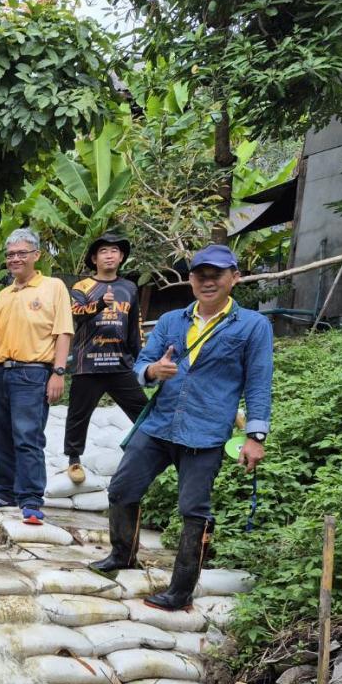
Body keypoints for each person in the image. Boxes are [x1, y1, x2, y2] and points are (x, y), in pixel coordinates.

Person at [91, 244, 272, 612]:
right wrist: (153, 371)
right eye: (200, 275)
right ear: (190, 279)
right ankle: (123, 554)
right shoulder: (173, 320)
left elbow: (258, 382)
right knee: (122, 489)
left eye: (216, 275)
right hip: (159, 425)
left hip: (205, 432)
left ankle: (181, 592)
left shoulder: (253, 326)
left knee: (194, 510)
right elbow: (141, 363)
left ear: (234, 278)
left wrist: (255, 436)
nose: (208, 282)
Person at [0, 227, 73, 525]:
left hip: (33, 372)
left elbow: (63, 332)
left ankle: (30, 498)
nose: (15, 259)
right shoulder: (4, 294)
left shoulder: (53, 287)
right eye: (11, 254)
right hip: (0, 372)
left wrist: (58, 373)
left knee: (28, 436)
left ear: (36, 256)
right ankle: (3, 491)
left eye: (21, 253)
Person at [63, 232, 148, 483]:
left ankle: (151, 450)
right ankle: (74, 459)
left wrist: (142, 358)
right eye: (103, 251)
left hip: (120, 363)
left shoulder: (129, 288)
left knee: (143, 411)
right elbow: (77, 313)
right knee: (78, 415)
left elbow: (135, 327)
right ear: (94, 258)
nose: (109, 255)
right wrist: (101, 303)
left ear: (121, 257)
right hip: (88, 362)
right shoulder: (82, 287)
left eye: (114, 251)